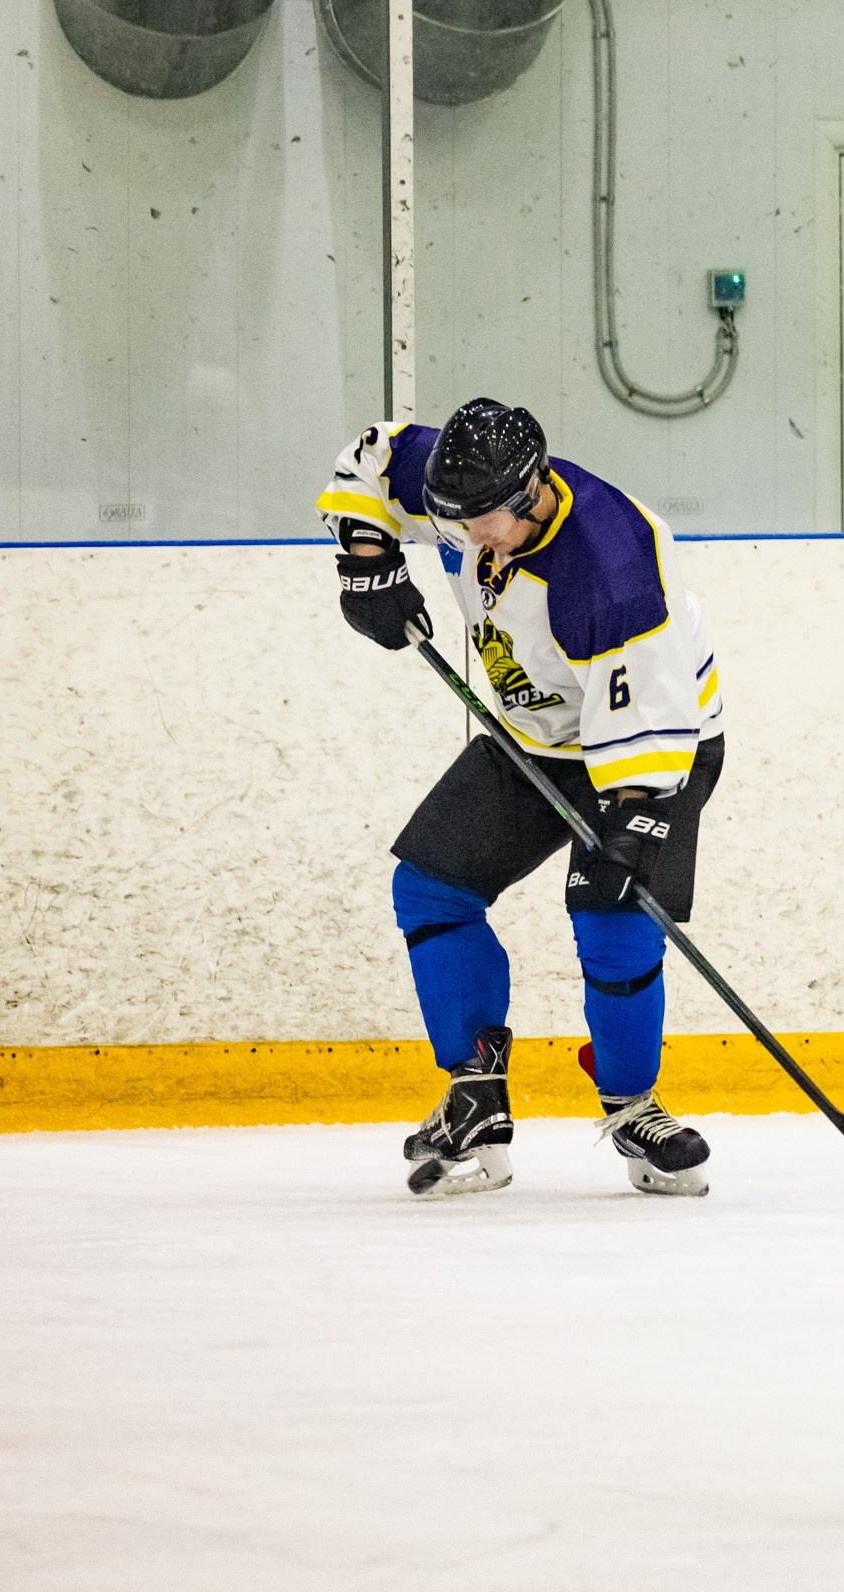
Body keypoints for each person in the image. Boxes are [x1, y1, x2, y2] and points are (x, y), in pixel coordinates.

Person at [317, 399, 724, 1199]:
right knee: (430, 887)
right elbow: (374, 457)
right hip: (534, 732)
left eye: (485, 523)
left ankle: (634, 1105)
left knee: (613, 916)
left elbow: (650, 717)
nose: (469, 539)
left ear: (532, 490)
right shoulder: (465, 483)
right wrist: (367, 558)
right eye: (454, 520)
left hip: (655, 741)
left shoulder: (612, 568)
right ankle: (477, 1090)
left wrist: (634, 827)